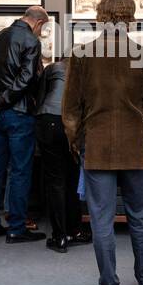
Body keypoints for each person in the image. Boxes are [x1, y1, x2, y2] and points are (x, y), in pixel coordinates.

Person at [62, 0, 143, 285]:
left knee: (102, 221)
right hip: (135, 148)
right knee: (138, 216)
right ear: (131, 17)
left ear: (100, 16)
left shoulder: (82, 55)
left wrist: (78, 143)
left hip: (96, 147)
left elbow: (70, 112)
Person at [0, 5, 47, 243]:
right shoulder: (31, 41)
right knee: (19, 171)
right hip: (18, 113)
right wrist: (1, 102)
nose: (41, 33)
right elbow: (26, 79)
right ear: (38, 23)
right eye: (42, 29)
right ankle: (17, 227)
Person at [36, 57, 88, 253]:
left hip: (48, 120)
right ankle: (75, 231)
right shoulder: (85, 72)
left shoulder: (52, 68)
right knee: (72, 178)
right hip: (73, 124)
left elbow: (40, 96)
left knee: (55, 181)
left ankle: (59, 237)